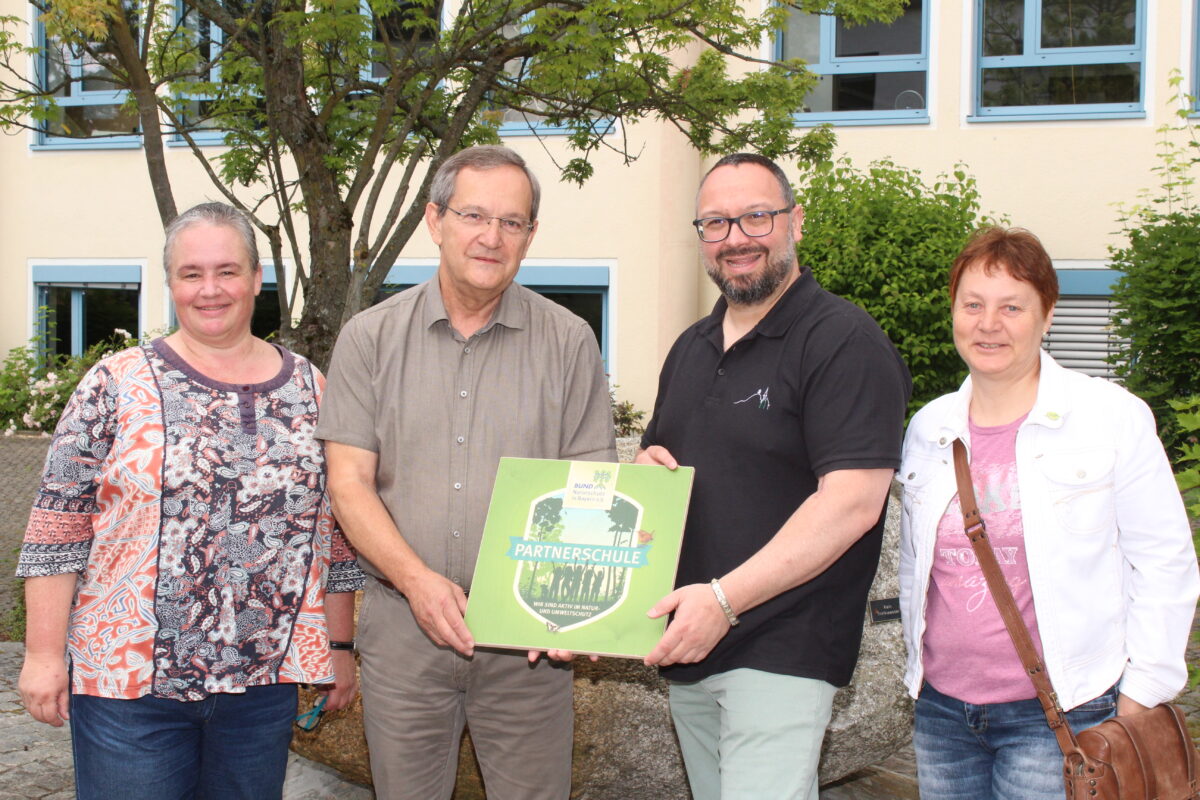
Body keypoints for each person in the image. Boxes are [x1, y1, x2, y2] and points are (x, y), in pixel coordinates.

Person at [15, 202, 363, 800]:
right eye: (190, 273)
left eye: (227, 271)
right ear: (171, 281)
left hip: (261, 687)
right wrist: (44, 656)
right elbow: (57, 528)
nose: (209, 290)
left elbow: (334, 534)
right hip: (128, 688)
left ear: (256, 278)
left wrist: (338, 648)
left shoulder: (311, 386)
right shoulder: (113, 383)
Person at [317, 145, 616, 800]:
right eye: (474, 215)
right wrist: (418, 582)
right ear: (436, 220)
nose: (491, 236)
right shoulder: (368, 339)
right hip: (404, 633)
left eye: (512, 222)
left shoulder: (570, 343)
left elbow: (590, 484)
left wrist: (580, 611)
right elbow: (347, 484)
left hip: (527, 644)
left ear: (530, 235)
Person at [636, 153, 912, 800]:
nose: (736, 238)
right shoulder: (689, 348)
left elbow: (852, 505)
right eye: (716, 223)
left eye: (756, 216)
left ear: (795, 223)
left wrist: (725, 601)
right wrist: (646, 477)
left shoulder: (843, 341)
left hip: (783, 649)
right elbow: (662, 465)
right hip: (692, 645)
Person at [898, 226, 1200, 800]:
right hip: (942, 715)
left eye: (1012, 306)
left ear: (1047, 314)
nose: (989, 324)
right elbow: (918, 570)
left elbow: (1165, 562)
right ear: (954, 311)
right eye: (973, 305)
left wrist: (1142, 694)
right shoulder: (929, 428)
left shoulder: (1110, 417)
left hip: (1064, 712)